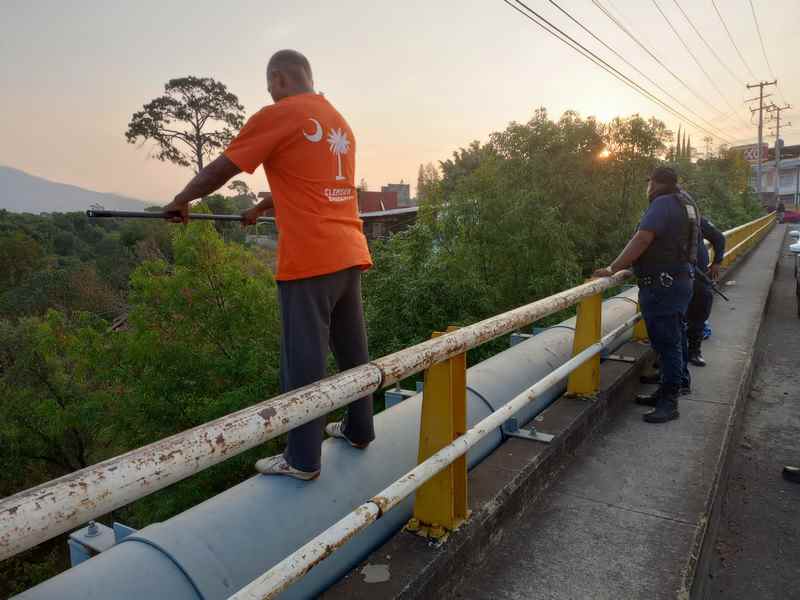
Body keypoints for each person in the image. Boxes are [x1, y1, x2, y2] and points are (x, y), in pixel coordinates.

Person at [163, 49, 375, 480]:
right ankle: (359, 429)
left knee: (303, 361)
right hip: (348, 252)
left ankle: (302, 459)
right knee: (353, 350)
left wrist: (182, 199)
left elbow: (223, 167)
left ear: (278, 79)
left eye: (269, 86)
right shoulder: (338, 121)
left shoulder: (278, 114)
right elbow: (310, 182)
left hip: (309, 259)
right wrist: (263, 205)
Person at [594, 167, 699, 423]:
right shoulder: (686, 201)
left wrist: (614, 268)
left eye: (649, 182)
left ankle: (669, 403)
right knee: (670, 342)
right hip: (679, 281)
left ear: (654, 183)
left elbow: (642, 239)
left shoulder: (662, 204)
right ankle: (665, 391)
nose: (648, 188)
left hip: (663, 287)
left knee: (668, 345)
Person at [686, 215, 725, 366]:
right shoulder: (662, 217)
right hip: (675, 278)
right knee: (676, 320)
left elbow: (719, 238)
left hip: (700, 277)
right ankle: (669, 362)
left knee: (699, 314)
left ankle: (694, 351)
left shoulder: (697, 220)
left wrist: (717, 262)